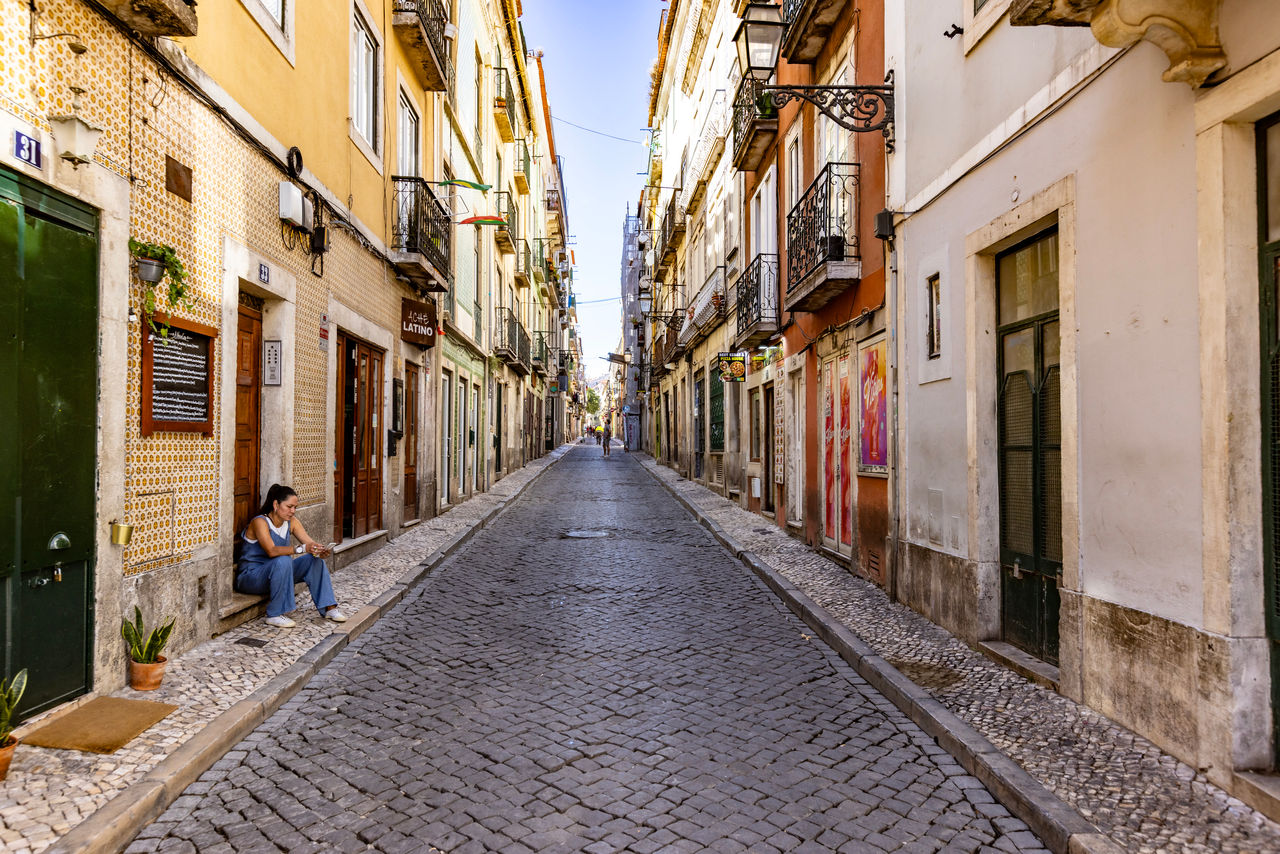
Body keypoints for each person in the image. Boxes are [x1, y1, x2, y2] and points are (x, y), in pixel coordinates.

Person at [235, 484, 347, 628]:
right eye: (289, 507)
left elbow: (309, 544)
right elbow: (272, 550)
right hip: (251, 577)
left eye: (295, 507)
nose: (293, 511)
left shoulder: (291, 522)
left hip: (278, 574)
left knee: (314, 560)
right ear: (276, 504)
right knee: (283, 560)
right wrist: (301, 548)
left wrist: (319, 550)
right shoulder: (260, 522)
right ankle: (275, 614)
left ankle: (329, 608)